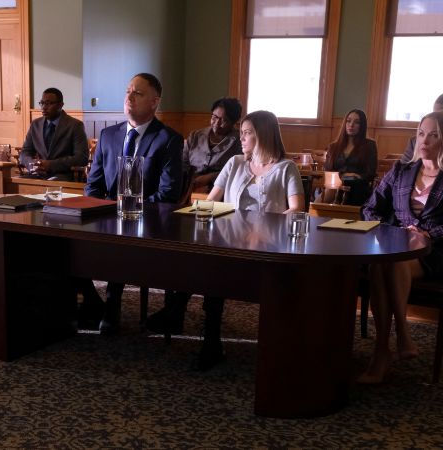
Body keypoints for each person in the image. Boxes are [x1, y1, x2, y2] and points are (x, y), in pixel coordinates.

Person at [154, 110, 305, 370]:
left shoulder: (285, 168)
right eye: (242, 132)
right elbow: (211, 201)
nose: (241, 138)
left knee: (214, 266)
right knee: (206, 258)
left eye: (247, 133)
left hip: (265, 245)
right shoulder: (235, 162)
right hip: (230, 240)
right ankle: (207, 338)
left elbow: (297, 209)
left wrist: (265, 227)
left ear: (263, 135)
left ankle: (179, 310)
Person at [359, 111, 443, 384]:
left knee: (386, 263)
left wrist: (430, 234)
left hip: (433, 252)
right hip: (395, 248)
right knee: (383, 263)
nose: (424, 140)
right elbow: (369, 208)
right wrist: (391, 231)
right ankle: (394, 340)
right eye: (421, 133)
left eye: (434, 135)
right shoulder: (402, 170)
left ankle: (386, 348)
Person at [84, 73, 183, 335]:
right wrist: (105, 211)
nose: (129, 97)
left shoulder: (168, 139)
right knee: (63, 243)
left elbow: (167, 194)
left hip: (145, 223)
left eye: (138, 93)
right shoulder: (108, 135)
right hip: (105, 219)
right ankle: (92, 301)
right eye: (128, 91)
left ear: (154, 102)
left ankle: (112, 303)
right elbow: (93, 186)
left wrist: (128, 210)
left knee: (122, 240)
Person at [19, 87, 89, 181]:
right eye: (42, 103)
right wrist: (32, 164)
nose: (44, 107)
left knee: (51, 183)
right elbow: (25, 152)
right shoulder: (35, 124)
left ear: (60, 105)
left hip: (63, 175)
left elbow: (81, 158)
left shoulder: (75, 125)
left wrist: (51, 165)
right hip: (38, 174)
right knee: (16, 183)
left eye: (49, 103)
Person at [183, 97, 243, 194]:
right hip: (188, 189)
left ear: (233, 122)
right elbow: (182, 163)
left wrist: (211, 177)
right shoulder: (195, 136)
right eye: (214, 117)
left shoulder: (240, 142)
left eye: (224, 120)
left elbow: (238, 171)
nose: (217, 123)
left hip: (221, 192)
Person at [323, 109, 378, 205]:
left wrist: (355, 178)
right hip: (335, 187)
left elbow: (370, 173)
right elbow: (328, 170)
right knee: (329, 193)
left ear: (362, 126)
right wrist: (343, 177)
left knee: (353, 191)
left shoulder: (369, 145)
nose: (351, 125)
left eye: (357, 122)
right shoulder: (333, 146)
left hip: (359, 188)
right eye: (348, 121)